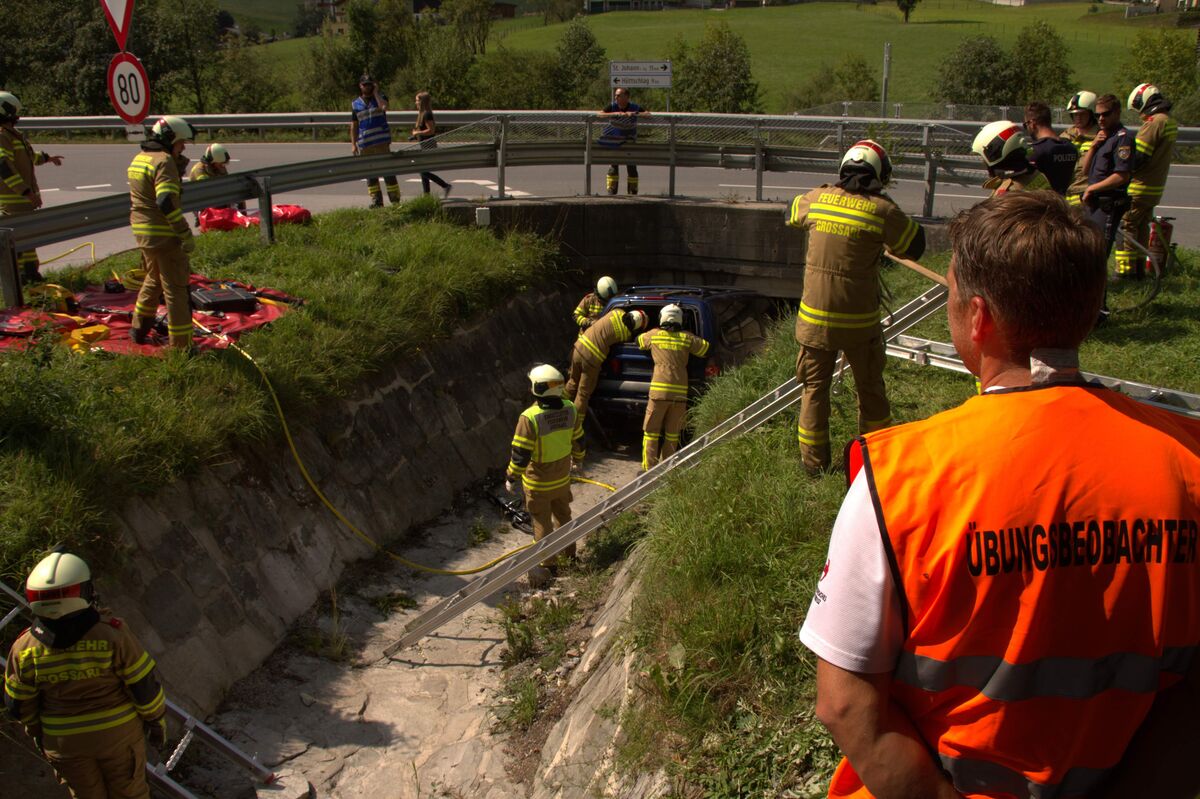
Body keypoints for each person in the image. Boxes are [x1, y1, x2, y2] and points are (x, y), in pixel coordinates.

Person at [798, 190, 1200, 799]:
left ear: (978, 317)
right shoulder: (1188, 461)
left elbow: (846, 706)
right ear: (1090, 311)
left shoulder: (901, 477)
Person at [784, 140, 925, 474]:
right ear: (878, 174)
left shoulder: (816, 198)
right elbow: (915, 245)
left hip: (814, 322)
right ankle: (876, 460)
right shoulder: (882, 211)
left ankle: (814, 466)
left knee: (814, 390)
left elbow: (791, 214)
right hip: (860, 323)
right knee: (870, 388)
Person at [4, 551, 168, 799]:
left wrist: (39, 734)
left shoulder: (24, 648)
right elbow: (143, 686)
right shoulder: (112, 634)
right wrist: (156, 721)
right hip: (118, 737)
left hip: (64, 745)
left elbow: (18, 706)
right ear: (82, 592)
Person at [506, 364, 586, 583]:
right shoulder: (570, 408)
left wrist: (511, 476)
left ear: (536, 387)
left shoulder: (529, 417)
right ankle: (570, 556)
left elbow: (521, 453)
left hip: (538, 484)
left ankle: (548, 565)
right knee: (564, 516)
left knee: (542, 523)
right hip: (562, 480)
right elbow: (578, 440)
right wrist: (578, 460)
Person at [128, 116, 196, 351]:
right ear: (170, 140)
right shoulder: (164, 161)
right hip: (163, 234)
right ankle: (182, 346)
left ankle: (139, 328)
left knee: (153, 278)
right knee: (176, 288)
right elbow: (166, 200)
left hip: (143, 232)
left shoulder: (140, 158)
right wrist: (184, 233)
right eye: (181, 143)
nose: (183, 147)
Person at [0, 91, 64, 284]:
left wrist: (46, 158)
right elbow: (4, 168)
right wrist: (26, 192)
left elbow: (27, 157)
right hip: (13, 202)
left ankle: (30, 276)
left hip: (23, 201)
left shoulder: (13, 135)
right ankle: (19, 279)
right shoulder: (3, 137)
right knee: (17, 241)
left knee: (27, 240)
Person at [637, 303, 710, 470]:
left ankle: (649, 470)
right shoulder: (686, 338)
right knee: (672, 434)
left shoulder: (654, 335)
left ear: (662, 318)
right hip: (679, 396)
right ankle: (667, 469)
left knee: (651, 432)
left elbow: (638, 340)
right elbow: (705, 348)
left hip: (658, 395)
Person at [1119, 83, 1177, 279]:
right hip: (1154, 187)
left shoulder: (1153, 123)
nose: (1139, 115)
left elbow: (1139, 157)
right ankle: (1140, 271)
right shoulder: (1168, 121)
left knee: (1126, 225)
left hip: (1139, 186)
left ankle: (1126, 272)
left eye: (1138, 109)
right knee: (1141, 226)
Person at [564, 306, 648, 430]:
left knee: (572, 383)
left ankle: (556, 409)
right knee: (583, 395)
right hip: (592, 359)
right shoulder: (626, 334)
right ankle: (575, 428)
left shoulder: (616, 312)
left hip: (578, 348)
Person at [1079, 93, 1131, 258]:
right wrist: (1094, 146)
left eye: (1105, 114)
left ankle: (1101, 284)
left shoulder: (1123, 138)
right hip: (1094, 202)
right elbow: (1085, 170)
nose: (1100, 118)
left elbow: (1122, 176)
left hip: (1108, 202)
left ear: (1117, 113)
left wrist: (1092, 188)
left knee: (1099, 251)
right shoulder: (1102, 137)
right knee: (1088, 248)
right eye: (1097, 115)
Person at [350, 73, 400, 208]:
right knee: (371, 173)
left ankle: (395, 200)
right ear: (360, 86)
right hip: (365, 144)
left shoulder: (380, 98)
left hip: (381, 142)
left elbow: (384, 107)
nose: (368, 87)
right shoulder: (355, 104)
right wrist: (353, 144)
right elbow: (354, 125)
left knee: (387, 171)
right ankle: (376, 201)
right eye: (365, 85)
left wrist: (376, 93)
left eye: (370, 84)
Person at [970, 120, 1052, 195]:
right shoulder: (1036, 174)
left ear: (994, 153)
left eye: (983, 157)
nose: (983, 161)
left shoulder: (1006, 194)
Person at [598, 88, 648, 195]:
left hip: (629, 140)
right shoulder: (612, 106)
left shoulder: (634, 107)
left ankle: (632, 190)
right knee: (613, 164)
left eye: (618, 95)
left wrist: (635, 114)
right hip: (614, 140)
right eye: (616, 95)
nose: (616, 97)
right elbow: (600, 114)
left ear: (626, 97)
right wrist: (615, 113)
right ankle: (612, 189)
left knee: (631, 165)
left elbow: (647, 114)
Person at [1023, 101, 1078, 195]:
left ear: (1032, 123)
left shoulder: (1035, 151)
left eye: (1025, 125)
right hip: (1064, 204)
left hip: (1042, 203)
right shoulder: (1071, 148)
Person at [188, 143, 246, 221]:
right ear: (213, 162)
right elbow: (206, 191)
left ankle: (243, 219)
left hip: (216, 196)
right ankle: (201, 220)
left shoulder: (219, 167)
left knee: (239, 198)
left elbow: (226, 182)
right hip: (199, 201)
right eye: (221, 163)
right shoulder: (199, 170)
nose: (223, 166)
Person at [1062, 90, 1100, 208]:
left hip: (1086, 199)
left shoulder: (1100, 138)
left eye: (1082, 114)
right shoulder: (1066, 136)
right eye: (1075, 114)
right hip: (1065, 199)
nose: (1077, 117)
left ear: (1092, 114)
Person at [411, 91, 451, 199]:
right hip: (424, 145)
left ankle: (445, 186)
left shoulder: (427, 114)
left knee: (423, 170)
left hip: (429, 146)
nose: (416, 103)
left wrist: (417, 133)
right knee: (423, 170)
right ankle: (427, 195)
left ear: (422, 101)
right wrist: (415, 135)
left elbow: (431, 130)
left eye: (417, 100)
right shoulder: (421, 114)